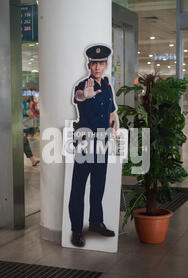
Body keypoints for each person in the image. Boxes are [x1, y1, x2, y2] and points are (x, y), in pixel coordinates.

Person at [68, 44, 118, 247]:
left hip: (103, 142)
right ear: (89, 64)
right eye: (94, 63)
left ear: (106, 65)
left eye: (101, 63)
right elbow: (78, 97)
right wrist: (84, 96)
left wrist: (114, 128)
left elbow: (111, 112)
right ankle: (76, 230)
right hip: (85, 142)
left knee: (99, 185)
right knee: (79, 187)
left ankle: (96, 222)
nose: (97, 67)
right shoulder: (83, 85)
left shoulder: (107, 87)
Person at [22, 96, 40, 167]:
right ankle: (33, 160)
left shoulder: (26, 103)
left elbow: (31, 113)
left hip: (24, 125)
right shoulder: (19, 102)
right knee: (24, 142)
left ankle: (33, 160)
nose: (27, 96)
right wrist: (27, 113)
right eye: (25, 95)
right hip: (19, 125)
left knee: (24, 141)